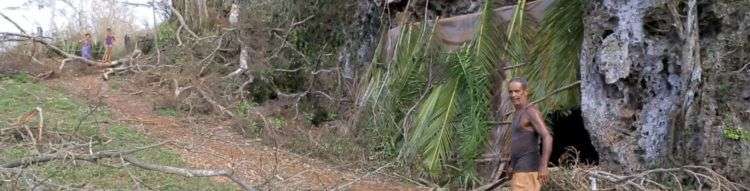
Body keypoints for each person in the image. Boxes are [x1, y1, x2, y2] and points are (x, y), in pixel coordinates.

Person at [507, 77, 553, 191]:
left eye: (517, 91)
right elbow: (519, 143)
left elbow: (547, 137)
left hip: (528, 169)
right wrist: (512, 165)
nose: (513, 95)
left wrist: (543, 166)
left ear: (525, 92)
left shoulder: (530, 112)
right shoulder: (518, 113)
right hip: (520, 169)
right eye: (510, 92)